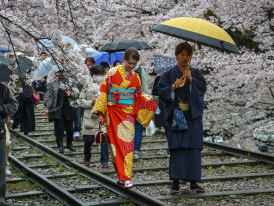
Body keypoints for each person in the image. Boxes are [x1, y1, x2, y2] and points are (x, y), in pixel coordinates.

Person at [93, 48, 158, 188]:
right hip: (113, 112)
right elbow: (104, 92)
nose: (131, 66)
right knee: (115, 146)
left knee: (128, 145)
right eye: (129, 63)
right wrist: (100, 113)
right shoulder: (112, 72)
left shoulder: (135, 76)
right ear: (123, 58)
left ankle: (126, 176)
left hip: (128, 114)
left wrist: (152, 101)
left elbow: (139, 95)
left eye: (134, 64)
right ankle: (121, 175)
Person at [157, 42, 206, 194]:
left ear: (191, 56)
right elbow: (160, 91)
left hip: (192, 116)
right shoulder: (169, 74)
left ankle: (194, 183)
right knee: (177, 149)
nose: (185, 58)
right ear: (177, 55)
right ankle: (175, 184)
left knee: (193, 148)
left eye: (188, 55)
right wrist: (174, 86)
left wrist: (191, 79)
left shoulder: (196, 73)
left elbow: (202, 89)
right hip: (176, 115)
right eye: (182, 54)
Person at [79, 65, 109, 168]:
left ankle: (104, 160)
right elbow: (81, 101)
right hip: (89, 118)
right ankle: (87, 157)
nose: (98, 76)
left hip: (102, 118)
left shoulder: (106, 86)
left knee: (104, 141)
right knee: (88, 140)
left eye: (100, 74)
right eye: (96, 74)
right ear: (92, 75)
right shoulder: (87, 87)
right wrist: (91, 102)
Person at [46, 68, 78, 153]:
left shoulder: (71, 82)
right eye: (60, 72)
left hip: (69, 107)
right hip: (58, 108)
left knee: (70, 128)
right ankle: (60, 145)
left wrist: (70, 94)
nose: (62, 74)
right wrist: (48, 108)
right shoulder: (53, 83)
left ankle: (69, 143)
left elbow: (76, 94)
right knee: (59, 129)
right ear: (57, 73)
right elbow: (51, 97)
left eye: (63, 72)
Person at [0, 82, 18, 206]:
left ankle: (0, 197)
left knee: (0, 166)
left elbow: (14, 105)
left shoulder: (2, 87)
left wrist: (1, 108)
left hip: (0, 129)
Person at [132, 64, 149, 160]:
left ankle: (127, 150)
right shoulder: (140, 70)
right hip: (139, 102)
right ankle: (136, 151)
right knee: (138, 128)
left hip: (125, 102)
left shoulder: (121, 70)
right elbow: (145, 88)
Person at [152, 74, 170, 158]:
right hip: (166, 105)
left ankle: (171, 149)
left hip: (165, 105)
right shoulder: (178, 76)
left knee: (169, 127)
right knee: (169, 127)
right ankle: (171, 148)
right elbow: (154, 94)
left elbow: (154, 94)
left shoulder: (159, 78)